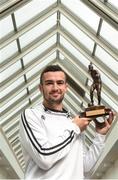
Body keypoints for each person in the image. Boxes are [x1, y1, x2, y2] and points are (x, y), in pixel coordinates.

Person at [19, 64, 114, 180]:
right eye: (49, 83)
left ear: (66, 87)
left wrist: (100, 135)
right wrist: (75, 128)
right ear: (41, 88)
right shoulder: (31, 115)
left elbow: (85, 167)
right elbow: (44, 157)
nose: (55, 88)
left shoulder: (72, 122)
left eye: (59, 83)